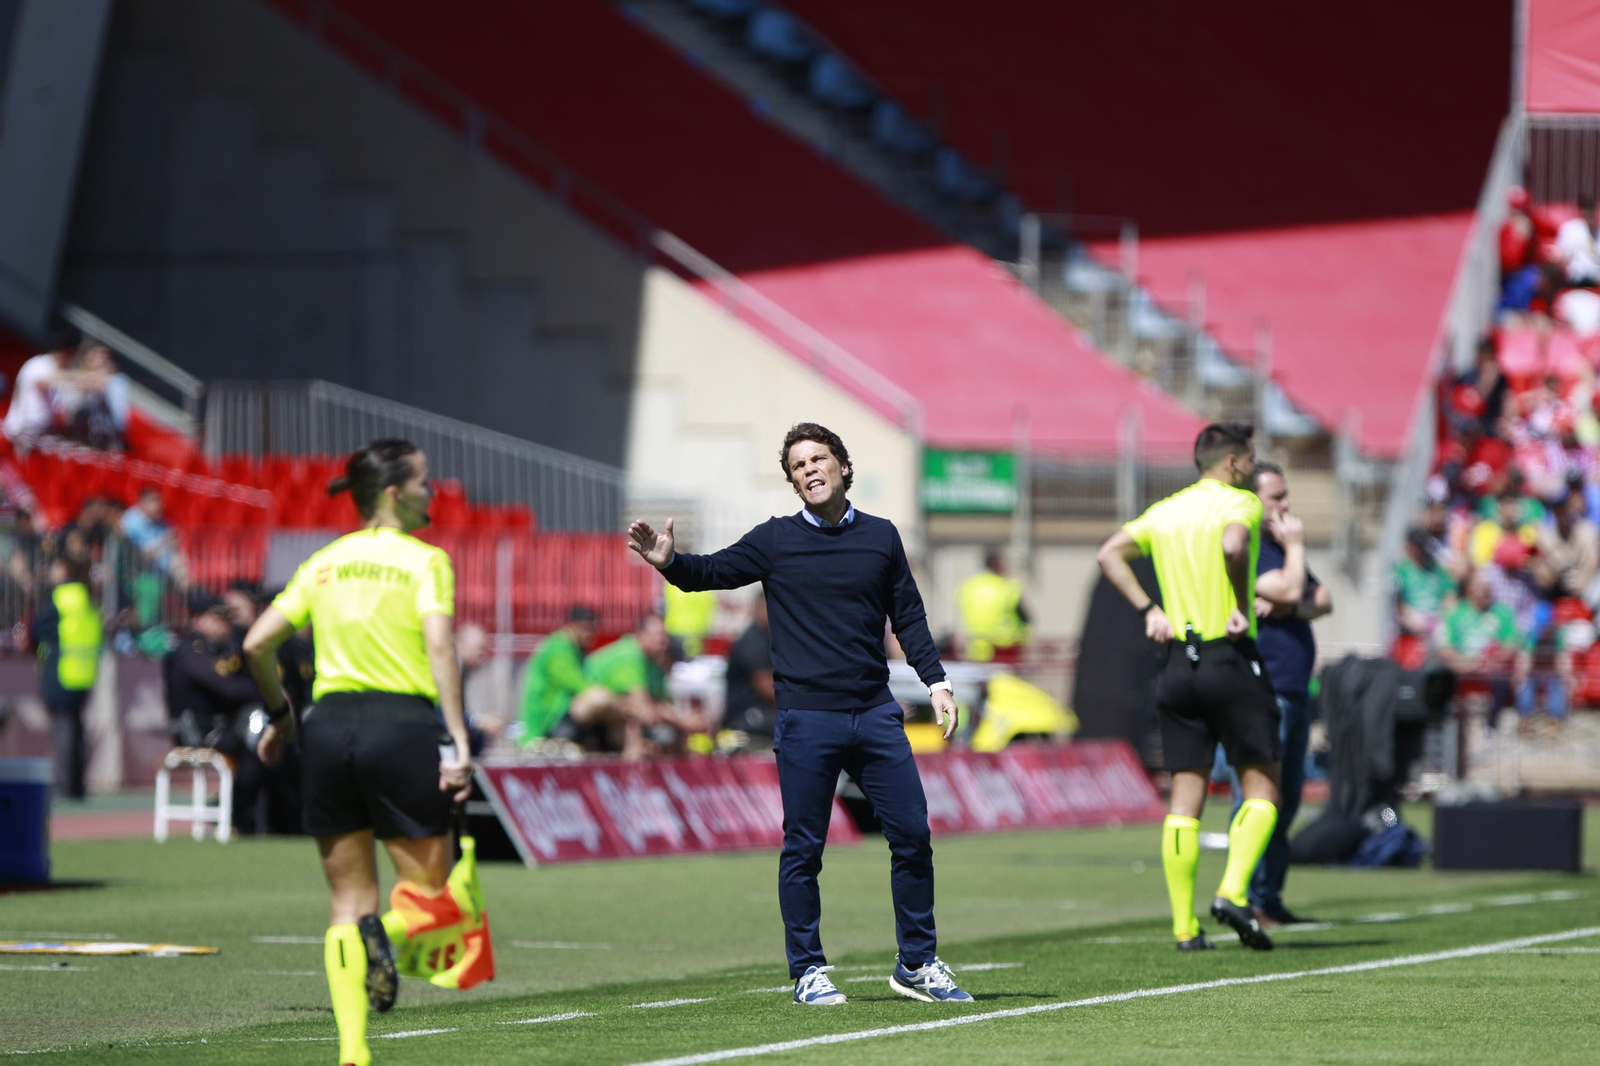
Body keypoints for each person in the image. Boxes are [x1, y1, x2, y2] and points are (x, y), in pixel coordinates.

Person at [628, 422, 973, 1005]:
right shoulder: (775, 540)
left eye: (818, 458)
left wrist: (935, 681)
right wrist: (670, 562)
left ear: (842, 464)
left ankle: (916, 963)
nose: (809, 470)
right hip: (807, 718)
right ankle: (807, 969)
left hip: (875, 713)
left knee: (913, 833)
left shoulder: (883, 537)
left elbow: (908, 618)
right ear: (792, 481)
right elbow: (709, 573)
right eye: (797, 466)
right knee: (804, 848)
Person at [242, 439, 478, 1066]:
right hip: (400, 728)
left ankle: (352, 1052)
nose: (436, 489)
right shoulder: (426, 562)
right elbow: (439, 650)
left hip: (327, 728)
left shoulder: (324, 563)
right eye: (426, 480)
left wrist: (281, 717)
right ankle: (387, 934)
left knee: (346, 905)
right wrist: (457, 739)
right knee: (435, 899)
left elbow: (256, 644)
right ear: (396, 492)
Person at [1096, 422, 1279, 952]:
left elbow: (1109, 553)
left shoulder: (1167, 511)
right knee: (1263, 783)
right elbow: (1233, 543)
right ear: (1233, 463)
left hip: (1178, 661)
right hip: (1228, 654)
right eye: (1248, 459)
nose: (1249, 468)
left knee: (1184, 798)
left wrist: (1149, 608)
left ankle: (1184, 927)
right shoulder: (1239, 504)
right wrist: (1242, 605)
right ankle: (1232, 891)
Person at [1234, 461, 1332, 927]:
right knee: (1258, 798)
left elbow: (1323, 598)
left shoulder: (1279, 547)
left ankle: (1268, 897)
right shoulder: (1253, 545)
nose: (1286, 506)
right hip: (1263, 686)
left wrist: (1287, 599)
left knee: (1288, 798)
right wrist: (1295, 554)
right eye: (1277, 497)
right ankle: (1244, 896)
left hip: (1294, 688)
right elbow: (1298, 589)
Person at [164, 593, 271, 831]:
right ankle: (233, 813)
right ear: (200, 620)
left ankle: (240, 812)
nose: (226, 625)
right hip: (198, 731)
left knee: (262, 742)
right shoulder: (192, 652)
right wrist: (270, 693)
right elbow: (228, 688)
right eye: (219, 619)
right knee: (256, 751)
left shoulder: (220, 648)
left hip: (219, 727)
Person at [29, 556, 101, 799]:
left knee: (63, 731)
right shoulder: (87, 596)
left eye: (55, 566)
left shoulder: (63, 597)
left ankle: (64, 786)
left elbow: (37, 628)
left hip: (61, 672)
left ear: (64, 570)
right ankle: (77, 786)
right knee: (76, 730)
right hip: (84, 673)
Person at [583, 613, 700, 748]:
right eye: (657, 634)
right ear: (640, 634)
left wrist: (680, 718)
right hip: (581, 712)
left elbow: (660, 702)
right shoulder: (630, 656)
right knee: (635, 713)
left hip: (609, 719)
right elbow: (644, 708)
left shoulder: (651, 662)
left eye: (664, 635)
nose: (663, 640)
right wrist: (682, 721)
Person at [3, 321, 80, 449]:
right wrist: (83, 378)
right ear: (68, 352)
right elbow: (43, 381)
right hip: (21, 431)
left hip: (44, 432)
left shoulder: (66, 370)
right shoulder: (38, 364)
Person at [957, 548, 1030, 661]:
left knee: (980, 677)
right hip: (1004, 647)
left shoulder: (969, 586)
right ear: (998, 564)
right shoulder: (1007, 586)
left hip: (977, 647)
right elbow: (1025, 618)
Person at [723, 589, 777, 741]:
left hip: (762, 710)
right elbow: (766, 687)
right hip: (745, 715)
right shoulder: (752, 640)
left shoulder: (769, 638)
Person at [1394, 527, 1458, 639]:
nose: (1422, 551)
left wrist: (1442, 620)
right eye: (1418, 547)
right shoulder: (1401, 572)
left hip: (1438, 624)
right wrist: (1418, 624)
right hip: (1412, 626)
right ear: (1410, 547)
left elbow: (1450, 597)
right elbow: (1400, 608)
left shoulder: (1437, 569)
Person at [120, 486, 189, 589]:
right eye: (154, 501)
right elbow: (142, 555)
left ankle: (191, 594)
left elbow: (174, 547)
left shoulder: (162, 521)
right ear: (142, 503)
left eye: (159, 501)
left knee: (180, 562)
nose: (159, 505)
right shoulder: (130, 522)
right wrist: (165, 541)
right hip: (141, 570)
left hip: (163, 569)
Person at [1556, 193, 1600, 286]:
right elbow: (1562, 258)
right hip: (1576, 280)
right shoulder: (1570, 230)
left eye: (1591, 210)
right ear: (1582, 211)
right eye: (1587, 211)